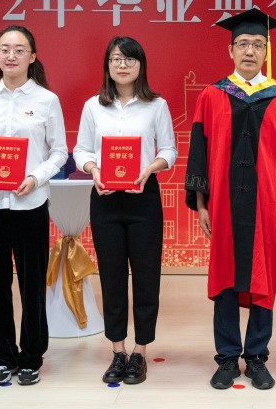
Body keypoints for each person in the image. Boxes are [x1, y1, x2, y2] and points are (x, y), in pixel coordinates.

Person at [185, 8, 276, 390]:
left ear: (266, 51)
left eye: (258, 44)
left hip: (268, 204)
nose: (250, 51)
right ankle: (227, 358)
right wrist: (201, 203)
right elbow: (199, 151)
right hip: (223, 205)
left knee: (264, 276)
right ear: (230, 50)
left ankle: (257, 356)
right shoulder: (212, 96)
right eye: (242, 44)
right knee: (225, 276)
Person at [0, 25, 66, 386]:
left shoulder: (46, 100)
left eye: (19, 50)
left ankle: (32, 356)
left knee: (32, 284)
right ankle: (2, 356)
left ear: (32, 56)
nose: (11, 56)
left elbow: (59, 152)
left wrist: (36, 178)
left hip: (29, 205)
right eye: (4, 49)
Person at [73, 36, 177, 385]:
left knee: (147, 277)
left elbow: (169, 150)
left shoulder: (156, 105)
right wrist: (93, 169)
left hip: (143, 198)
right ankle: (118, 351)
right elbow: (81, 150)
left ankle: (140, 351)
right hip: (105, 198)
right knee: (112, 276)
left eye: (130, 59)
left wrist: (150, 168)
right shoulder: (93, 106)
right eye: (116, 59)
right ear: (107, 64)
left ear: (140, 65)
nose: (122, 65)